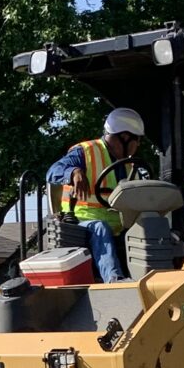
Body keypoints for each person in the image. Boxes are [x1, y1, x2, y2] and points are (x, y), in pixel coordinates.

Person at [47, 108, 146, 283]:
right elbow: (53, 172)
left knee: (148, 225)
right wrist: (74, 172)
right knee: (100, 227)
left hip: (120, 226)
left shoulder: (131, 166)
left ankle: (149, 277)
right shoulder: (86, 152)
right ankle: (114, 279)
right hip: (81, 222)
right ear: (124, 137)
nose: (137, 145)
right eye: (137, 140)